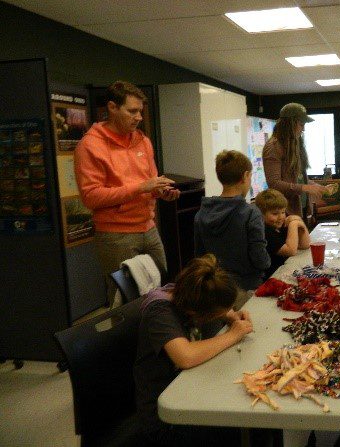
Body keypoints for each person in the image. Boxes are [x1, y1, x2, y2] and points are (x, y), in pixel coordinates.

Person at [74, 81, 180, 307]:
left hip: (148, 228)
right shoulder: (90, 146)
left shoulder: (143, 140)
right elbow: (90, 197)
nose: (139, 117)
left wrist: (162, 192)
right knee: (125, 300)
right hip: (116, 235)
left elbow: (151, 183)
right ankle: (127, 343)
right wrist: (141, 187)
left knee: (163, 290)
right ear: (112, 107)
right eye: (132, 111)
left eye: (140, 111)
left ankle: (162, 340)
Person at [133, 254, 252, 446]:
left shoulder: (189, 295)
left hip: (193, 393)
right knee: (244, 425)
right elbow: (185, 357)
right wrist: (233, 335)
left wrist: (231, 315)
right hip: (167, 418)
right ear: (199, 312)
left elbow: (216, 306)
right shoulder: (160, 311)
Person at [194, 150, 269, 304]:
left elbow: (200, 257)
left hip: (215, 290)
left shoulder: (201, 213)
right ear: (245, 176)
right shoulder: (250, 213)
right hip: (247, 289)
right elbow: (260, 258)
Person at [262, 103, 331, 217]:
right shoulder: (273, 147)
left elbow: (298, 179)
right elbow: (274, 183)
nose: (303, 129)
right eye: (301, 124)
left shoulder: (294, 145)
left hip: (300, 209)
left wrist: (317, 187)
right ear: (290, 124)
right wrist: (305, 187)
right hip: (284, 213)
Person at [255, 188, 310, 279]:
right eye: (275, 213)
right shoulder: (264, 231)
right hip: (272, 277)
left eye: (283, 212)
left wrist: (300, 222)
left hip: (286, 271)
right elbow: (290, 251)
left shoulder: (280, 224)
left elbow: (305, 245)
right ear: (261, 214)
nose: (281, 217)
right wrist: (294, 224)